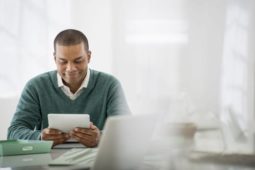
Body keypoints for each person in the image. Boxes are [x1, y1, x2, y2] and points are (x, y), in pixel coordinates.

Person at [7, 29, 131, 147]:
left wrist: (101, 137)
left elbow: (128, 131)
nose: (70, 68)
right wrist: (40, 137)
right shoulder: (36, 87)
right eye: (63, 61)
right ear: (55, 58)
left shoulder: (109, 85)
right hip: (48, 163)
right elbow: (13, 132)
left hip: (95, 161)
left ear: (88, 57)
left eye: (78, 61)